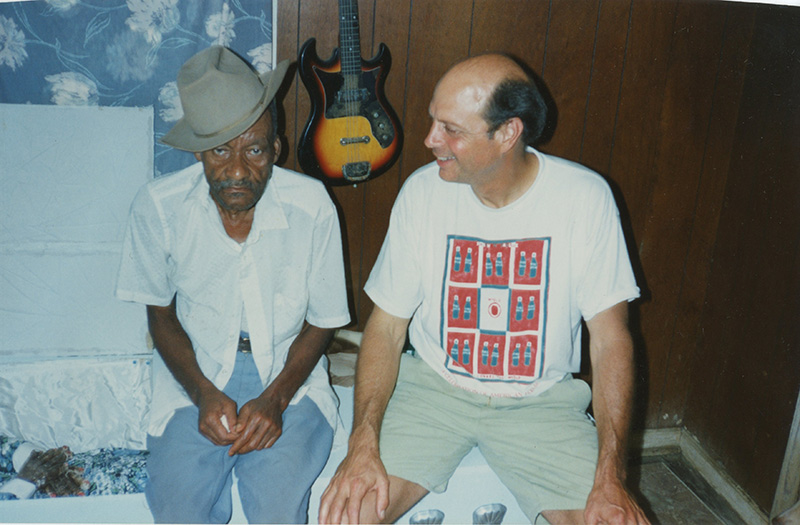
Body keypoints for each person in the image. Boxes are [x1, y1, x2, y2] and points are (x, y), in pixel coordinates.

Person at [318, 53, 650, 525]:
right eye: (433, 119)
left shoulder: (585, 198)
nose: (431, 139)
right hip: (433, 393)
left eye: (451, 129)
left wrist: (610, 474)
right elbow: (387, 328)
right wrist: (362, 442)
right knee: (346, 516)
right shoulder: (421, 193)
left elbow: (613, 339)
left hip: (540, 406)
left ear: (507, 134)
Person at [115, 46, 350, 523]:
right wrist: (201, 393)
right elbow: (160, 316)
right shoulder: (159, 208)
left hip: (290, 375)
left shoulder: (312, 206)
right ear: (199, 151)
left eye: (255, 149)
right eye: (221, 150)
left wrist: (276, 398)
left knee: (278, 506)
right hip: (196, 372)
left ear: (277, 149)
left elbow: (322, 323)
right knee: (178, 507)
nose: (238, 170)